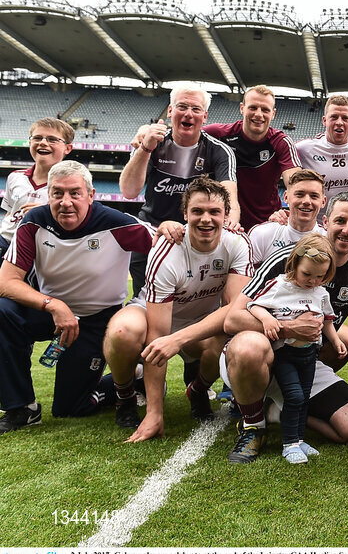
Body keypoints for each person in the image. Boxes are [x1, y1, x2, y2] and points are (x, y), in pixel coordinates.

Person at [222, 192, 348, 463]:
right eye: (340, 221)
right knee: (251, 346)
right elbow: (232, 319)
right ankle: (253, 426)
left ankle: (279, 412)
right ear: (326, 221)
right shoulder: (288, 259)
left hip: (302, 361)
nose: (347, 230)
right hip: (258, 356)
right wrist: (289, 328)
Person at [0, 161, 152, 433]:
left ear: (91, 195)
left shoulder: (117, 223)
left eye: (75, 193)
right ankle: (21, 407)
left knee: (70, 408)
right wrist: (54, 305)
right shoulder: (34, 222)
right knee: (2, 311)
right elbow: (5, 282)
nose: (65, 202)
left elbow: (166, 245)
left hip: (96, 320)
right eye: (57, 193)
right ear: (48, 195)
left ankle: (133, 375)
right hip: (50, 313)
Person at [107, 177, 253, 439]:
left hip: (199, 319)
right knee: (122, 331)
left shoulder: (238, 243)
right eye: (197, 211)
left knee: (226, 333)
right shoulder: (168, 249)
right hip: (154, 314)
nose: (205, 219)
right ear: (185, 214)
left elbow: (233, 309)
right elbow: (157, 334)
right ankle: (125, 395)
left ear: (226, 214)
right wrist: (155, 413)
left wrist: (179, 339)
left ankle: (198, 389)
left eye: (214, 212)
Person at [120, 84, 238, 293]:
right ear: (170, 110)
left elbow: (230, 200)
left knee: (191, 308)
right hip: (153, 235)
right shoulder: (151, 143)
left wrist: (229, 227)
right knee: (145, 302)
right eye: (182, 106)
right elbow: (129, 191)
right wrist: (145, 149)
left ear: (205, 116)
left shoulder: (219, 151)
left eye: (196, 109)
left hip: (195, 240)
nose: (189, 114)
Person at [247, 233, 343, 464]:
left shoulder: (320, 293)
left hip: (309, 355)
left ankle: (299, 440)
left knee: (305, 397)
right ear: (294, 263)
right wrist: (267, 320)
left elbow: (327, 320)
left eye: (319, 276)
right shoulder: (280, 286)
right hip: (285, 354)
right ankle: (289, 444)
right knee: (294, 396)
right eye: (307, 274)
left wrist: (336, 340)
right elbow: (253, 304)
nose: (312, 281)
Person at [204, 84, 301, 230]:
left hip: (268, 224)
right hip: (225, 223)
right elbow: (185, 138)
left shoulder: (281, 142)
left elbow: (295, 184)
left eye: (265, 110)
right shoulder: (218, 134)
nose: (259, 114)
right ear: (242, 108)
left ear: (273, 114)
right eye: (253, 107)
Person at [0, 117, 75, 258]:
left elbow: (77, 224)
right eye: (37, 138)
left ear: (68, 148)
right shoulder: (15, 176)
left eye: (52, 139)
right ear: (30, 142)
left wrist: (44, 214)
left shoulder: (73, 186)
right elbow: (10, 211)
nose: (43, 143)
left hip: (41, 251)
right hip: (6, 243)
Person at [295, 95, 348, 215]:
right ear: (324, 120)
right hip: (317, 225)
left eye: (345, 118)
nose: (339, 122)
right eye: (334, 117)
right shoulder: (304, 148)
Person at [247, 169, 326, 266]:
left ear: (323, 201)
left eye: (314, 196)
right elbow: (246, 278)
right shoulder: (262, 234)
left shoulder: (328, 239)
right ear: (286, 197)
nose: (306, 201)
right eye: (299, 194)